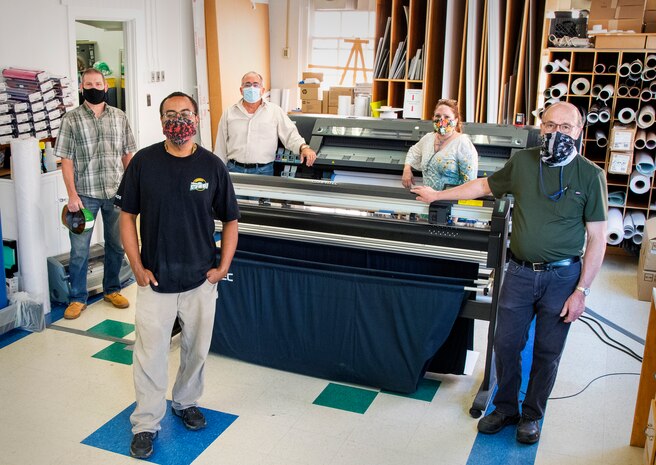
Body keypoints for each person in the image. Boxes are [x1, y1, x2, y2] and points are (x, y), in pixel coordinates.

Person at [412, 102, 607, 445]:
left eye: (565, 127)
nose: (556, 133)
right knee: (505, 343)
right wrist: (439, 195)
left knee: (547, 351)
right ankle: (504, 408)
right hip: (518, 271)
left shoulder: (590, 176)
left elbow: (598, 237)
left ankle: (532, 415)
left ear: (579, 131)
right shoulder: (523, 162)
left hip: (562, 278)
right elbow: (483, 186)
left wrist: (582, 291)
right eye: (549, 125)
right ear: (540, 127)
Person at [116, 92, 240, 459]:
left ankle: (186, 402)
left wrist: (223, 267)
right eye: (170, 114)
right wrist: (136, 266)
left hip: (201, 279)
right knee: (150, 355)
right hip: (156, 281)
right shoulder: (143, 163)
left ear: (197, 119)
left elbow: (231, 220)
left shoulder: (213, 166)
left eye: (185, 113)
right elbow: (126, 216)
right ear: (161, 121)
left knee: (196, 351)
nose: (178, 120)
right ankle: (145, 423)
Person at [54, 67, 136, 320]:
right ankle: (77, 298)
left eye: (98, 83)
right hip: (84, 195)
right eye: (88, 84)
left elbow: (127, 154)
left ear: (105, 86)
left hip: (115, 192)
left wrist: (132, 189)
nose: (93, 87)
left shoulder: (119, 117)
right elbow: (66, 160)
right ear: (82, 88)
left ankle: (112, 289)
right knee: (80, 250)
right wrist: (72, 195)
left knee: (116, 245)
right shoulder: (71, 119)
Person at [214, 71, 317, 175]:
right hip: (234, 169)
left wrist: (304, 148)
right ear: (241, 90)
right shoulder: (229, 113)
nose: (251, 88)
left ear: (262, 90)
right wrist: (217, 171)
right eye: (247, 85)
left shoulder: (274, 111)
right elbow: (220, 146)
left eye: (256, 85)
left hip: (263, 170)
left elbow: (290, 134)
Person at [402, 98, 478, 190]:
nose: (441, 120)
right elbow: (414, 151)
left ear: (456, 120)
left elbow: (470, 184)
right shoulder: (428, 138)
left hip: (450, 201)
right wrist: (407, 169)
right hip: (427, 199)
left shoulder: (463, 143)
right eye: (438, 116)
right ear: (433, 118)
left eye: (447, 117)